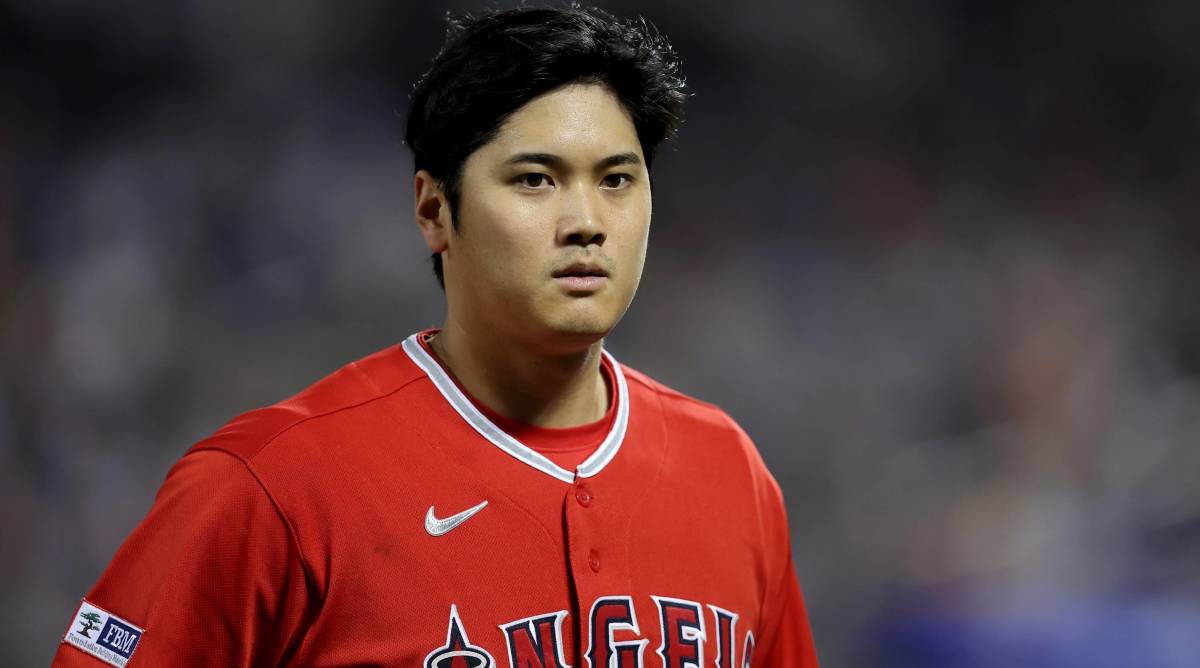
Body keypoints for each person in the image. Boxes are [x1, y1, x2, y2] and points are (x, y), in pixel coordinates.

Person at [53, 6, 819, 667]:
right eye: (535, 180)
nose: (587, 221)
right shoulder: (272, 485)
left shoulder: (731, 474)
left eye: (616, 179)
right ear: (433, 211)